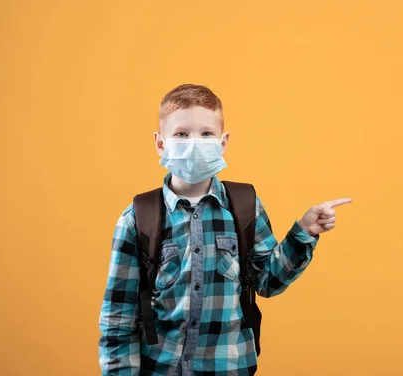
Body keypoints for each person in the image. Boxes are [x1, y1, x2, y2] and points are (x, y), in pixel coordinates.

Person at [98, 84, 351, 375]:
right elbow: (118, 317)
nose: (194, 142)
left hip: (231, 367)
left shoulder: (244, 206)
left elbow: (268, 281)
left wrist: (305, 231)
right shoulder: (137, 218)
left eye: (206, 134)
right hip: (161, 368)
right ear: (160, 143)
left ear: (223, 142)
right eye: (181, 134)